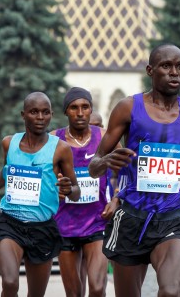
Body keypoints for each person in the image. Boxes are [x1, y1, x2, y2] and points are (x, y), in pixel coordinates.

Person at [88, 43, 180, 297]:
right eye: (166, 66)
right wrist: (106, 161)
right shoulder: (128, 108)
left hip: (173, 216)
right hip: (132, 216)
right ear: (150, 70)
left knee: (170, 291)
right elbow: (94, 165)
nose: (174, 72)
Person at [0, 92, 80, 297]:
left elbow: (76, 192)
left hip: (42, 228)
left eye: (45, 113)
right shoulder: (9, 143)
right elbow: (5, 173)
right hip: (11, 224)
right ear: (23, 115)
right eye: (34, 112)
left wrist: (68, 189)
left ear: (51, 115)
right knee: (10, 283)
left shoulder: (61, 149)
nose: (40, 117)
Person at [51, 88, 120, 297]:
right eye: (74, 108)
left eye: (85, 107)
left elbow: (128, 171)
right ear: (66, 112)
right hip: (65, 223)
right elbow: (45, 176)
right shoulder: (55, 139)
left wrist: (117, 198)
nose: (80, 113)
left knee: (98, 288)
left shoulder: (104, 136)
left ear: (91, 110)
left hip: (97, 220)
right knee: (74, 293)